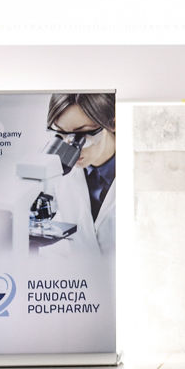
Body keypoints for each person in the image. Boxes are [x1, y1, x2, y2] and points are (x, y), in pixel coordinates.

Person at [46, 92, 116, 256]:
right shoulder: (57, 171)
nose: (70, 147)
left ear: (112, 124)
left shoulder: (142, 169)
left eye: (81, 135)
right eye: (61, 134)